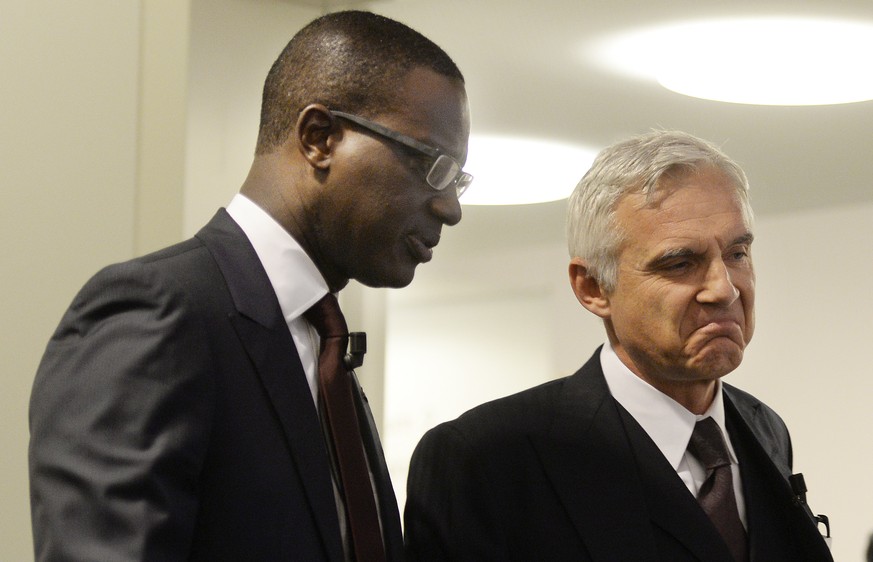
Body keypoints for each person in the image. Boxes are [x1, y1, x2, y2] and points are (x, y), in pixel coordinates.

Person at [29, 10, 471, 562]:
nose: (451, 208)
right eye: (431, 164)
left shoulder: (324, 349)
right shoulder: (158, 313)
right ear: (319, 138)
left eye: (459, 179)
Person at [404, 130, 832, 561]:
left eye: (737, 254)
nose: (724, 289)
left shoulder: (763, 428)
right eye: (680, 263)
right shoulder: (487, 459)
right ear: (593, 288)